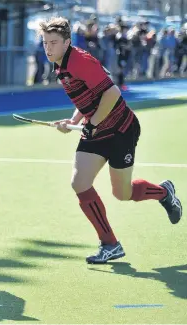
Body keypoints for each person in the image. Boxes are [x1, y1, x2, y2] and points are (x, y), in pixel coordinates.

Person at [38, 17, 182, 264]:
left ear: (67, 43)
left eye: (53, 43)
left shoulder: (80, 61)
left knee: (123, 193)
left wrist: (91, 125)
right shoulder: (60, 66)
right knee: (79, 182)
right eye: (45, 43)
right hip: (96, 131)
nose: (48, 48)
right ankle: (110, 244)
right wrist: (73, 121)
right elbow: (86, 99)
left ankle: (163, 193)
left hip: (120, 130)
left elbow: (112, 93)